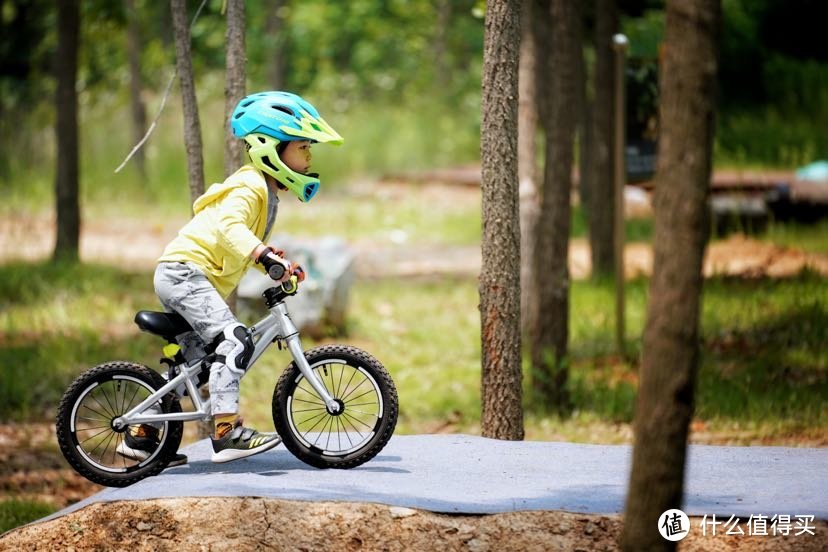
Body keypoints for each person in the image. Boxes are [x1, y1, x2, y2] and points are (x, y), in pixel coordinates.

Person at [117, 91, 343, 465]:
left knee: (197, 367)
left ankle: (142, 438)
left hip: (185, 275)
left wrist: (273, 264)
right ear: (273, 148)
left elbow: (240, 243)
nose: (309, 157)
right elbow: (229, 229)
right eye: (303, 147)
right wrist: (262, 252)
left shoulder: (265, 193)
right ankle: (226, 433)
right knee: (236, 339)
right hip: (184, 273)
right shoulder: (249, 185)